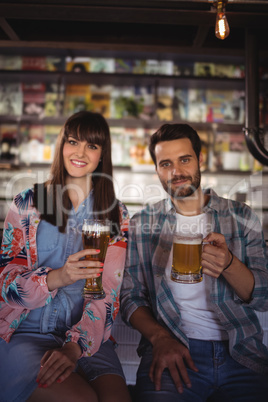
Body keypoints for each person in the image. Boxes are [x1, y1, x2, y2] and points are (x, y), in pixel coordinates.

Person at [120, 123, 268, 402]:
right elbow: (130, 297)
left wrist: (229, 264)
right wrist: (159, 338)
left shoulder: (241, 216)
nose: (176, 172)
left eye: (184, 160)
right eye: (166, 164)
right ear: (157, 171)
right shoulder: (143, 224)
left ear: (200, 160)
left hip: (242, 353)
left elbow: (264, 297)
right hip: (173, 347)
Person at [0, 111, 131, 402]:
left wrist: (76, 345)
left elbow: (109, 292)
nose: (80, 153)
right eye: (73, 142)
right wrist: (59, 277)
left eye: (92, 146)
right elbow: (5, 284)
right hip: (25, 332)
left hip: (88, 339)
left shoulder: (115, 213)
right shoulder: (31, 202)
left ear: (102, 155)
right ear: (61, 146)